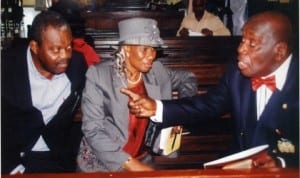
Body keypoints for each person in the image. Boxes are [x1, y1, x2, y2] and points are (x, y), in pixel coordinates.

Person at [122, 11, 299, 168]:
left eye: (252, 44)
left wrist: (282, 162)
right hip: (238, 166)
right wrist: (157, 107)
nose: (240, 49)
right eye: (242, 40)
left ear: (280, 52)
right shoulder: (236, 73)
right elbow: (207, 105)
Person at [76, 17, 198, 172]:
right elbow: (92, 130)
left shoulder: (157, 71)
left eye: (154, 49)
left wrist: (177, 113)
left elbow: (188, 78)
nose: (152, 55)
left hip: (142, 159)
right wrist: (133, 166)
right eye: (145, 49)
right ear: (127, 48)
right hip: (102, 164)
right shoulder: (100, 75)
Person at [1, 11, 88, 174]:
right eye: (55, 50)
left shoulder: (77, 64)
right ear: (34, 47)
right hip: (13, 156)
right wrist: (9, 167)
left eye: (69, 47)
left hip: (60, 156)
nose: (65, 56)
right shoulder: (6, 68)